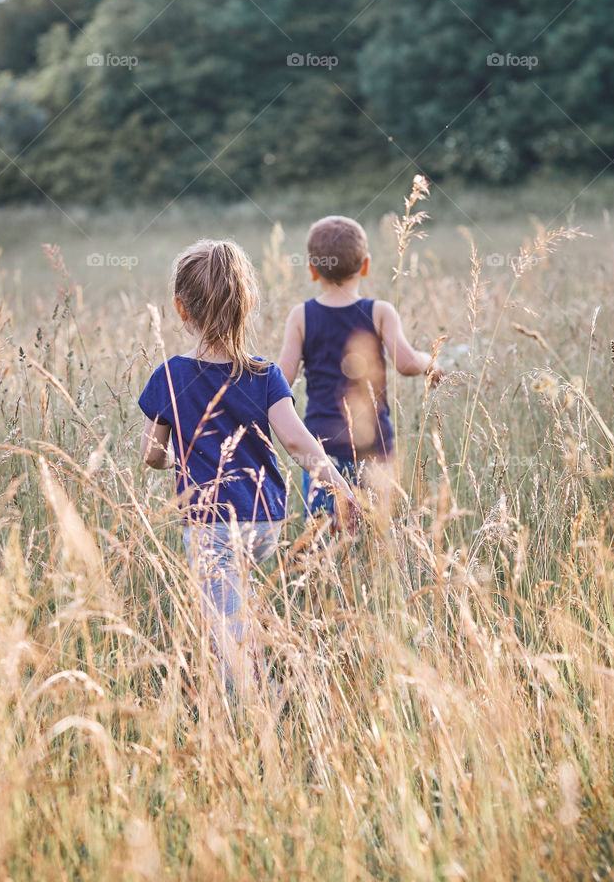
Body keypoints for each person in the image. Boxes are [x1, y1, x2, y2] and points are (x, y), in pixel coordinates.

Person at [138, 238, 356, 695]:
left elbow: (151, 454)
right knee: (233, 605)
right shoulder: (265, 374)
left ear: (180, 308)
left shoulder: (169, 376)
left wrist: (172, 457)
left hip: (211, 522)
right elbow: (297, 440)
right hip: (264, 521)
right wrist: (340, 488)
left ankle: (255, 703)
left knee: (225, 629)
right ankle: (256, 678)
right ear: (247, 303)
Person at [278, 214, 441, 516]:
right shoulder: (380, 311)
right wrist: (430, 362)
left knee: (324, 537)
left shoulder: (301, 316)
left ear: (312, 270)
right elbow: (405, 363)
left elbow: (282, 379)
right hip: (374, 445)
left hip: (321, 450)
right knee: (376, 538)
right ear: (365, 265)